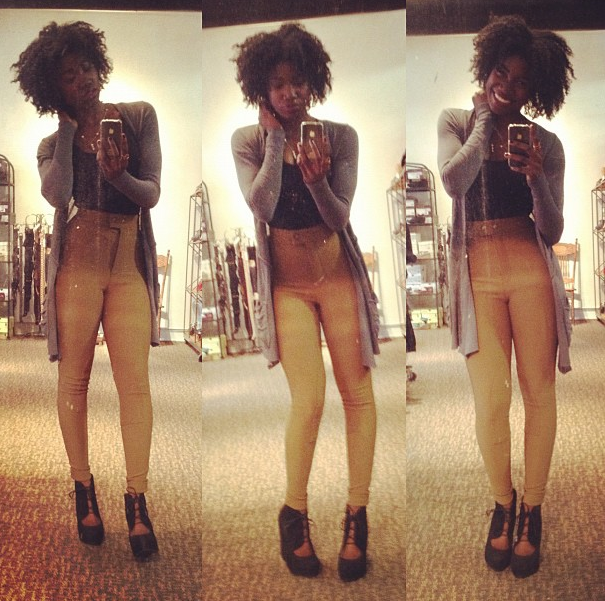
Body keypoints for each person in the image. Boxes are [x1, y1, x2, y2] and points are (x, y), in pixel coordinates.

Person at [231, 22, 380, 581]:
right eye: (278, 84)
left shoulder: (340, 136)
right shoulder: (247, 141)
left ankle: (357, 515)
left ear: (314, 81)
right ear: (261, 90)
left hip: (336, 276)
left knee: (358, 394)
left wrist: (318, 180)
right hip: (287, 287)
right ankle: (293, 514)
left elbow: (339, 217)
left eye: (299, 82)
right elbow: (262, 207)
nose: (291, 93)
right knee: (310, 400)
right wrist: (275, 142)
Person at [11, 21, 161, 560]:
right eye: (69, 76)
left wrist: (117, 174)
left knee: (135, 384)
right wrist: (70, 128)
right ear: (53, 89)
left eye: (87, 68)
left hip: (127, 269)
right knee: (73, 379)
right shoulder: (52, 144)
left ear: (100, 64)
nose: (83, 80)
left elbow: (151, 193)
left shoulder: (138, 117)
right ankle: (83, 488)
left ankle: (137, 500)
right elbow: (57, 195)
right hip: (76, 267)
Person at [437, 15, 574, 578]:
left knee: (538, 393)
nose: (508, 86)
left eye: (521, 81)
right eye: (502, 72)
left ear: (535, 89)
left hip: (529, 268)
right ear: (486, 67)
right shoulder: (455, 121)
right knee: (491, 399)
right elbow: (453, 181)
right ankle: (503, 501)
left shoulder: (548, 144)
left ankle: (532, 510)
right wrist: (482, 124)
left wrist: (537, 174)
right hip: (478, 276)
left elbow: (553, 229)